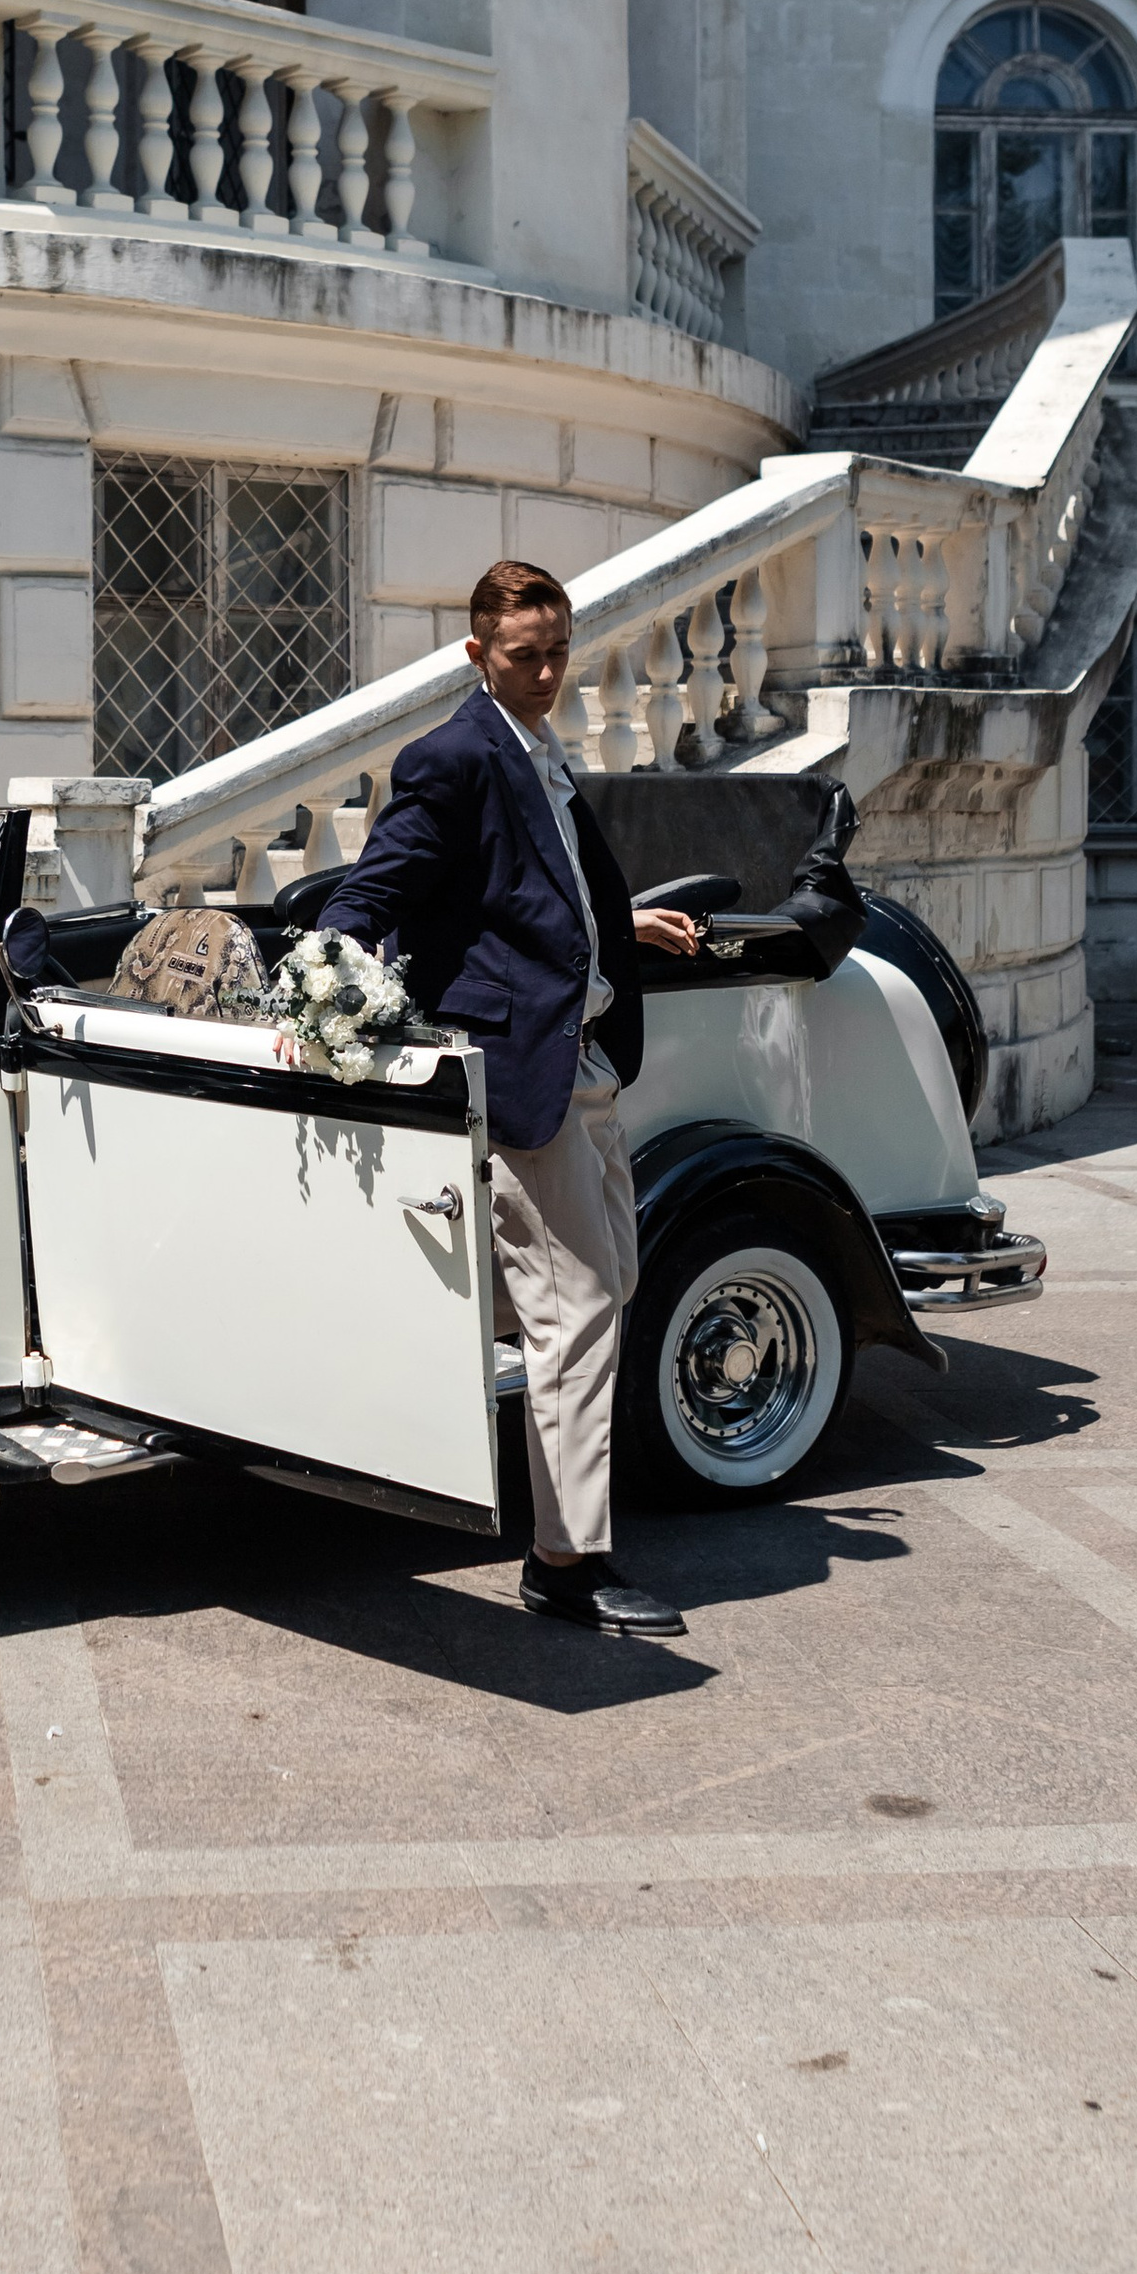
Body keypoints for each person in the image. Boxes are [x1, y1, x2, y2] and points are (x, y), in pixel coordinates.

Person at [318, 559, 703, 1635]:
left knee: (605, 1284)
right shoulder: (452, 757)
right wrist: (325, 972)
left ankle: (496, 1427)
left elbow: (528, 892)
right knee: (575, 1309)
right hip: (522, 1071)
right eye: (524, 655)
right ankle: (565, 1563)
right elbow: (376, 887)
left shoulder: (538, 747)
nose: (545, 673)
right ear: (477, 653)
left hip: (584, 1057)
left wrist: (619, 927)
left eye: (558, 652)